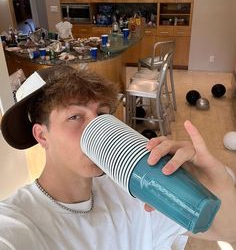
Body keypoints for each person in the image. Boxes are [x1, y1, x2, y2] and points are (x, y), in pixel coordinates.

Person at [0, 65, 235, 249]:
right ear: (42, 135)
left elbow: (229, 228)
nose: (96, 127)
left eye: (101, 114)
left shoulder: (134, 189)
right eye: (74, 117)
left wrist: (217, 186)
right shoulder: (18, 222)